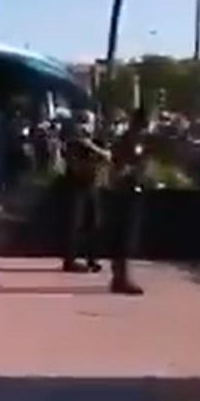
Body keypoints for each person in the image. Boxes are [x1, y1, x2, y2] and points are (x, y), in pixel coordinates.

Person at [62, 109, 111, 273]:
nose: (85, 127)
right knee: (74, 223)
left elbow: (107, 156)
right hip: (76, 184)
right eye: (83, 122)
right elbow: (72, 161)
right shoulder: (73, 141)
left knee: (94, 223)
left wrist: (93, 148)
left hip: (91, 184)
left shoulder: (95, 141)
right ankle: (70, 260)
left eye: (87, 122)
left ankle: (92, 258)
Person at [107, 107, 149, 295]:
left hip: (127, 189)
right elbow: (120, 167)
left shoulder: (132, 138)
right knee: (124, 235)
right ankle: (121, 278)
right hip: (126, 191)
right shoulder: (129, 140)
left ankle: (119, 275)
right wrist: (133, 171)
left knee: (124, 234)